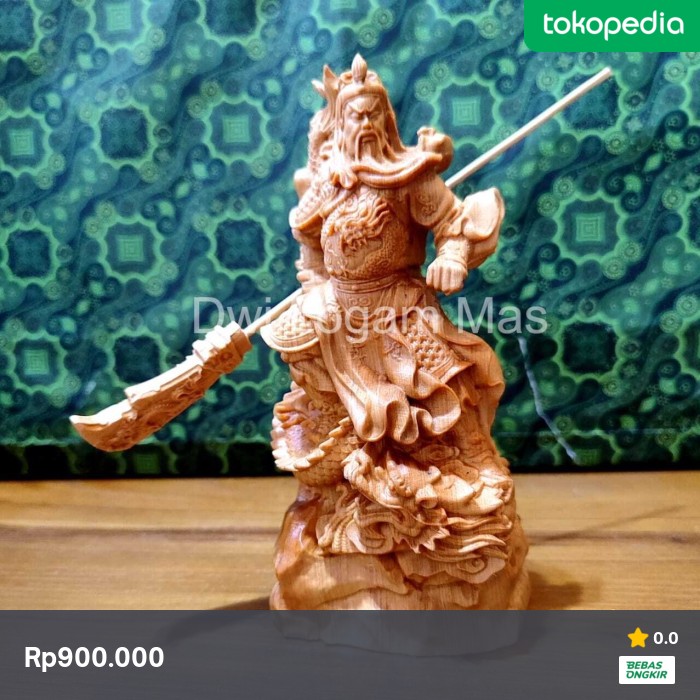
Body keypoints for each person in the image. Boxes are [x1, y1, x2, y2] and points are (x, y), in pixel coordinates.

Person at [262, 55, 528, 610]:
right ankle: (356, 491)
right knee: (322, 391)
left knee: (445, 374)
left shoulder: (409, 177)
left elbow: (451, 225)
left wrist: (451, 258)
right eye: (354, 115)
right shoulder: (325, 185)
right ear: (340, 124)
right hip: (339, 314)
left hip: (399, 304)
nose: (364, 124)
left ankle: (471, 462)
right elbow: (310, 253)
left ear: (386, 120)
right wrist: (315, 291)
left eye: (372, 114)